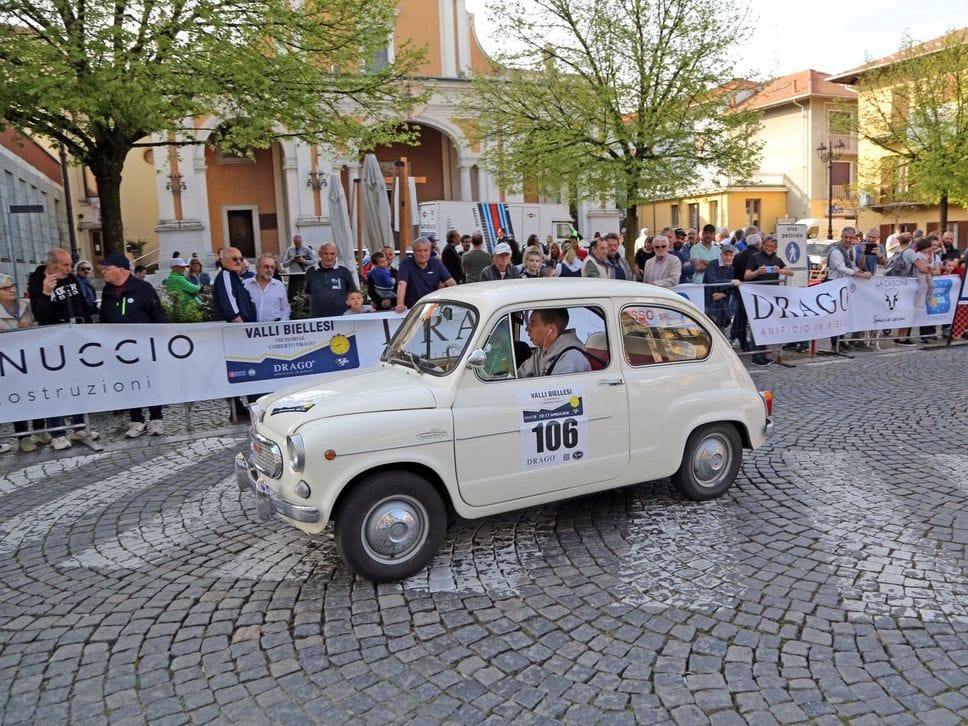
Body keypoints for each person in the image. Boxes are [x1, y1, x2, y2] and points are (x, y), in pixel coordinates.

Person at [27, 248, 98, 450]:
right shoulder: (37, 281)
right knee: (54, 385)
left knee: (78, 383)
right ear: (51, 264)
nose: (69, 268)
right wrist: (46, 293)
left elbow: (81, 304)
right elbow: (40, 313)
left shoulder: (71, 279)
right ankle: (57, 432)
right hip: (52, 340)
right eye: (65, 265)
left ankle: (79, 426)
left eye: (69, 264)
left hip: (75, 337)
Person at [99, 253, 168, 437]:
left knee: (149, 381)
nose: (102, 271)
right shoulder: (107, 292)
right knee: (129, 383)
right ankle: (136, 420)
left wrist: (158, 340)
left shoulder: (143, 288)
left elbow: (157, 314)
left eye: (107, 268)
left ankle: (156, 418)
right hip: (119, 349)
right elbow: (104, 319)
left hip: (145, 346)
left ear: (121, 269)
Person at [0, 274, 46, 453]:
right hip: (8, 362)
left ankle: (39, 430)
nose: (12, 290)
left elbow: (39, 323)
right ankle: (23, 437)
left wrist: (30, 325)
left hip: (31, 357)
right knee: (17, 398)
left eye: (12, 286)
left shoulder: (25, 305)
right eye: (6, 288)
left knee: (36, 393)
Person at [744, 234, 795, 365]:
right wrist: (757, 272)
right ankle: (756, 356)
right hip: (757, 296)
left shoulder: (777, 259)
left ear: (776, 247)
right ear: (762, 245)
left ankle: (762, 353)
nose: (769, 248)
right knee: (758, 325)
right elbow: (746, 276)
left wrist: (781, 271)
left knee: (767, 325)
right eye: (767, 246)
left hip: (771, 297)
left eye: (772, 246)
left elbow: (791, 272)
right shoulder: (755, 257)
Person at [825, 227, 871, 352]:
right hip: (834, 283)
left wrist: (862, 270)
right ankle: (835, 343)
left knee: (844, 314)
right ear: (841, 237)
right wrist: (861, 275)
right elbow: (842, 268)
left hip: (845, 284)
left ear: (854, 239)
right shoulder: (835, 251)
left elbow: (852, 265)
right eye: (845, 237)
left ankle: (842, 340)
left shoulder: (852, 249)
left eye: (850, 238)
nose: (848, 240)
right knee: (835, 315)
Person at [517, 308, 591, 377]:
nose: (527, 329)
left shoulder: (572, 359)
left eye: (533, 324)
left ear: (551, 330)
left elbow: (557, 388)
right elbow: (519, 375)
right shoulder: (541, 353)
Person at [394, 237, 455, 311]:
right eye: (419, 251)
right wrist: (400, 304)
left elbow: (451, 282)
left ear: (430, 251)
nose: (423, 254)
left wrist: (457, 299)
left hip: (432, 309)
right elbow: (402, 284)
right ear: (414, 252)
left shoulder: (436, 263)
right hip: (412, 310)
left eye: (426, 250)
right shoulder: (406, 263)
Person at [304, 241, 358, 318]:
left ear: (336, 254)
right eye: (325, 253)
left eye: (332, 254)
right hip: (318, 319)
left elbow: (353, 293)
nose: (329, 257)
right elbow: (308, 293)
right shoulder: (311, 271)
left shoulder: (344, 271)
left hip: (342, 317)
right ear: (319, 253)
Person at [213, 247, 258, 323]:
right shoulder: (225, 275)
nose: (238, 262)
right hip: (237, 328)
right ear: (224, 260)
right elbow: (230, 306)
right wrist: (241, 324)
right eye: (234, 259)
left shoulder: (234, 277)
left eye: (241, 259)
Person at [704, 244, 740, 331]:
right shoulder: (713, 264)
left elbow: (731, 289)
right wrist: (730, 282)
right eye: (726, 255)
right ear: (721, 255)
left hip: (723, 303)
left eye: (731, 255)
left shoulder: (731, 268)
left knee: (721, 328)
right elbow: (712, 280)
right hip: (709, 301)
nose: (728, 257)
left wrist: (723, 294)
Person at [244, 254, 290, 322]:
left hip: (274, 328)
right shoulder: (245, 285)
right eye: (266, 267)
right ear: (257, 268)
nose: (270, 270)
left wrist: (282, 323)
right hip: (251, 328)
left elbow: (285, 308)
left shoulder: (279, 285)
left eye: (272, 267)